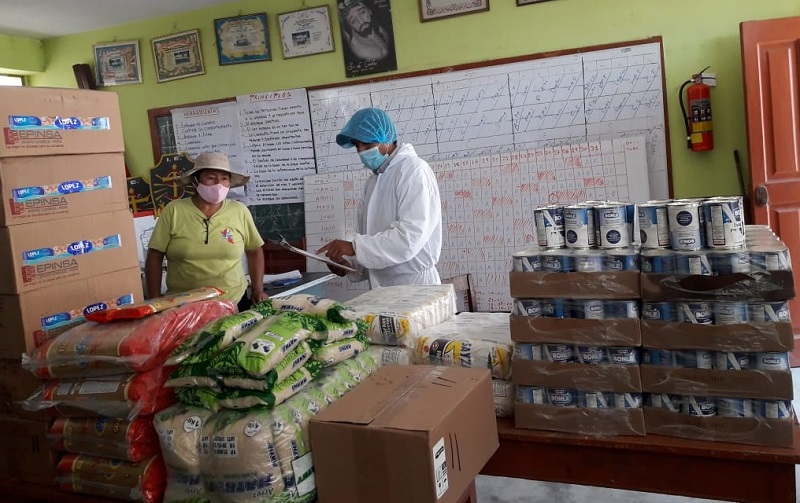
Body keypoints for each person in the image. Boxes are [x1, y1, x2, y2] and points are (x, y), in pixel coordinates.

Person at [318, 107, 442, 287]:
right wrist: (350, 265)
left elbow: (409, 239)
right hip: (383, 289)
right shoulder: (374, 181)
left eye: (367, 145)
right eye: (357, 146)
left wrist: (354, 247)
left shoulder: (413, 170)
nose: (362, 152)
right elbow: (375, 243)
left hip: (415, 287)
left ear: (388, 139)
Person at [145, 152, 266, 311]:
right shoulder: (174, 211)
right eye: (210, 177)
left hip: (233, 301)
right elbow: (155, 256)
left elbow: (254, 250)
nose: (219, 184)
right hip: (183, 306)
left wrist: (258, 290)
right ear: (195, 180)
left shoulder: (239, 211)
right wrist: (156, 301)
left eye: (224, 178)